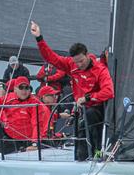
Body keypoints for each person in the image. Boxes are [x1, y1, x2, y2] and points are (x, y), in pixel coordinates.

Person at [30, 21, 114, 161]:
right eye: (76, 62)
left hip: (97, 108)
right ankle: (82, 159)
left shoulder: (100, 69)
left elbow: (109, 91)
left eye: (81, 61)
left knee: (91, 117)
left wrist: (87, 98)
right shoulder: (71, 64)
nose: (79, 65)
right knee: (80, 147)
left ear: (87, 55)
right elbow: (51, 57)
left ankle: (98, 153)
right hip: (81, 110)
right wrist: (39, 38)